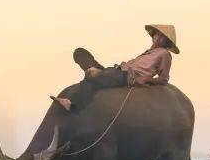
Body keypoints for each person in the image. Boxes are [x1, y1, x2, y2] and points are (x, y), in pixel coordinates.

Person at [52, 24, 180, 112]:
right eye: (156, 34)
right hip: (117, 70)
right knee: (80, 53)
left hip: (128, 76)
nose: (156, 37)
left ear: (165, 39)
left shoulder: (164, 54)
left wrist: (146, 78)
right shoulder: (150, 52)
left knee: (95, 78)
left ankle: (73, 105)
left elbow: (163, 79)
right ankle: (95, 71)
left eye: (159, 35)